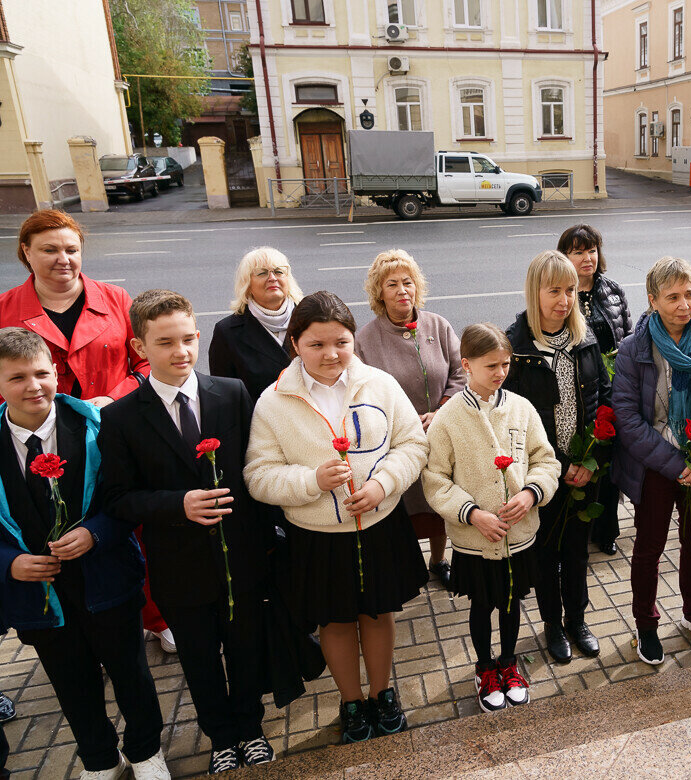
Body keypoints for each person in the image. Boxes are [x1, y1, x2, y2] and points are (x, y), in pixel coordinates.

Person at [100, 291, 275, 774]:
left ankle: (250, 727)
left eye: (188, 339)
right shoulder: (120, 417)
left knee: (245, 649)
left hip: (239, 555)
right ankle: (220, 735)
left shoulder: (232, 393)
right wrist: (177, 504)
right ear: (140, 348)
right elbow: (116, 497)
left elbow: (253, 470)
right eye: (165, 343)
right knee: (198, 657)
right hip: (177, 564)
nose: (181, 352)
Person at [244, 292, 428, 745]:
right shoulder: (273, 401)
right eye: (316, 344)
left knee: (378, 612)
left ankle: (383, 693)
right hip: (317, 536)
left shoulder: (380, 384)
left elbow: (412, 445)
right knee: (336, 620)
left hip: (379, 525)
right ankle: (351, 701)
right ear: (295, 344)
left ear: (353, 340)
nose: (331, 355)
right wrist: (311, 481)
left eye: (341, 342)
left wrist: (383, 485)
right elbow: (257, 475)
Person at [0, 210, 172, 654]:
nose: (63, 259)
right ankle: (79, 624)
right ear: (26, 253)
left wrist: (114, 398)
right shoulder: (5, 310)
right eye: (50, 250)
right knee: (57, 531)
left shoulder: (114, 298)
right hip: (41, 442)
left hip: (113, 431)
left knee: (126, 525)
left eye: (71, 249)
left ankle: (152, 617)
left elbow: (145, 362)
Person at [0, 328, 169, 780]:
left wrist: (96, 532)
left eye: (41, 373)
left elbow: (129, 496)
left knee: (131, 673)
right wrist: (9, 562)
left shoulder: (98, 426)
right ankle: (100, 759)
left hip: (107, 579)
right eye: (17, 378)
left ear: (55, 371)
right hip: (38, 595)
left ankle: (146, 750)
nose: (33, 386)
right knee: (72, 682)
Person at [422, 323, 560, 713]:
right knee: (482, 604)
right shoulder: (448, 419)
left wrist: (533, 492)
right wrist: (471, 514)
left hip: (519, 534)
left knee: (513, 602)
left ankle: (509, 663)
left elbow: (545, 459)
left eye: (505, 364)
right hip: (475, 539)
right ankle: (485, 668)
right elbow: (435, 480)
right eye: (490, 366)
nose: (500, 373)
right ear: (466, 364)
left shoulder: (521, 407)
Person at [612, 256, 691, 665]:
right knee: (649, 547)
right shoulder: (634, 350)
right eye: (672, 297)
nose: (684, 305)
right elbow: (627, 418)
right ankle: (645, 624)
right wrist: (673, 463)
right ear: (652, 300)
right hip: (655, 466)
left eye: (689, 295)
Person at [503, 251, 609, 664]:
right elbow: (513, 422)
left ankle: (577, 619)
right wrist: (559, 468)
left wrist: (591, 458)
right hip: (543, 474)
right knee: (546, 552)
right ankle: (551, 623)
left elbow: (604, 399)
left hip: (586, 468)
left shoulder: (585, 339)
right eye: (554, 291)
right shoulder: (517, 347)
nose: (564, 300)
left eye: (570, 290)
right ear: (535, 293)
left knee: (578, 550)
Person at [355, 250, 463, 589]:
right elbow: (362, 394)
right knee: (403, 501)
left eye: (408, 282)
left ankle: (438, 560)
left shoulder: (437, 325)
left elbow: (461, 372)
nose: (403, 290)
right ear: (379, 293)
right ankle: (406, 566)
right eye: (392, 284)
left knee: (439, 500)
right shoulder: (365, 340)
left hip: (440, 432)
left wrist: (443, 407)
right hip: (395, 441)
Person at [556, 225, 633, 556]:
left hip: (611, 388)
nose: (587, 258)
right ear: (564, 256)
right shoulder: (560, 292)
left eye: (591, 250)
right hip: (575, 389)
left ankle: (606, 530)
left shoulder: (611, 289)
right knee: (576, 459)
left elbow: (628, 335)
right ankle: (572, 535)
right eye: (578, 251)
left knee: (608, 462)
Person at [208, 247, 305, 401]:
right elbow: (224, 397)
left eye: (279, 272)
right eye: (262, 273)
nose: (272, 278)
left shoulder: (310, 320)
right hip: (259, 422)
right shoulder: (227, 332)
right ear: (247, 284)